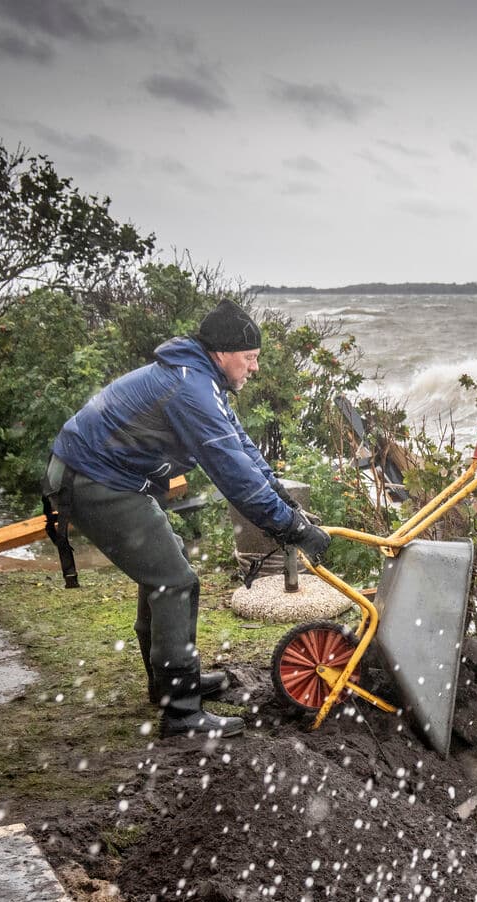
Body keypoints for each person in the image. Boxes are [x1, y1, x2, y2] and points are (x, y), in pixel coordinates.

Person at [44, 299, 331, 738]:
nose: (254, 368)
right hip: (93, 481)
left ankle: (168, 686)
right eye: (250, 359)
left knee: (168, 562)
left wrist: (288, 508)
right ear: (222, 353)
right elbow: (231, 473)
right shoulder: (191, 389)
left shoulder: (200, 379)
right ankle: (181, 713)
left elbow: (243, 449)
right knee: (174, 581)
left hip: (105, 476)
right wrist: (287, 528)